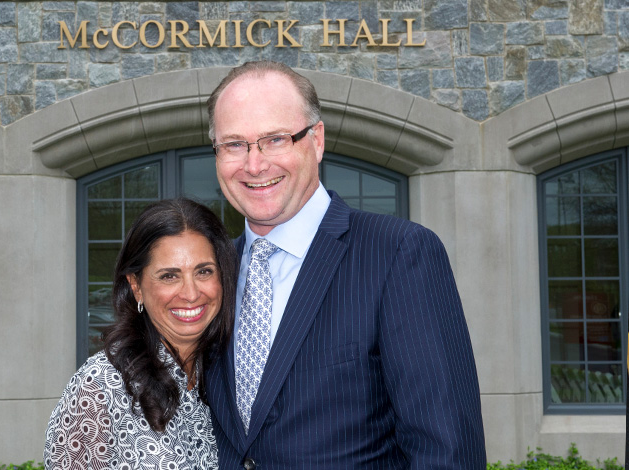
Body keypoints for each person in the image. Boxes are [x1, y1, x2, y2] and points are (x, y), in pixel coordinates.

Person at [204, 60, 486, 469]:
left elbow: (446, 449)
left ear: (316, 140)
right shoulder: (212, 275)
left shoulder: (398, 255)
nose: (254, 164)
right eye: (234, 144)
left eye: (276, 139)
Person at [44, 198, 238, 469]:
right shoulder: (100, 388)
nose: (191, 293)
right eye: (169, 276)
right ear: (136, 286)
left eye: (204, 271)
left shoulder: (228, 375)